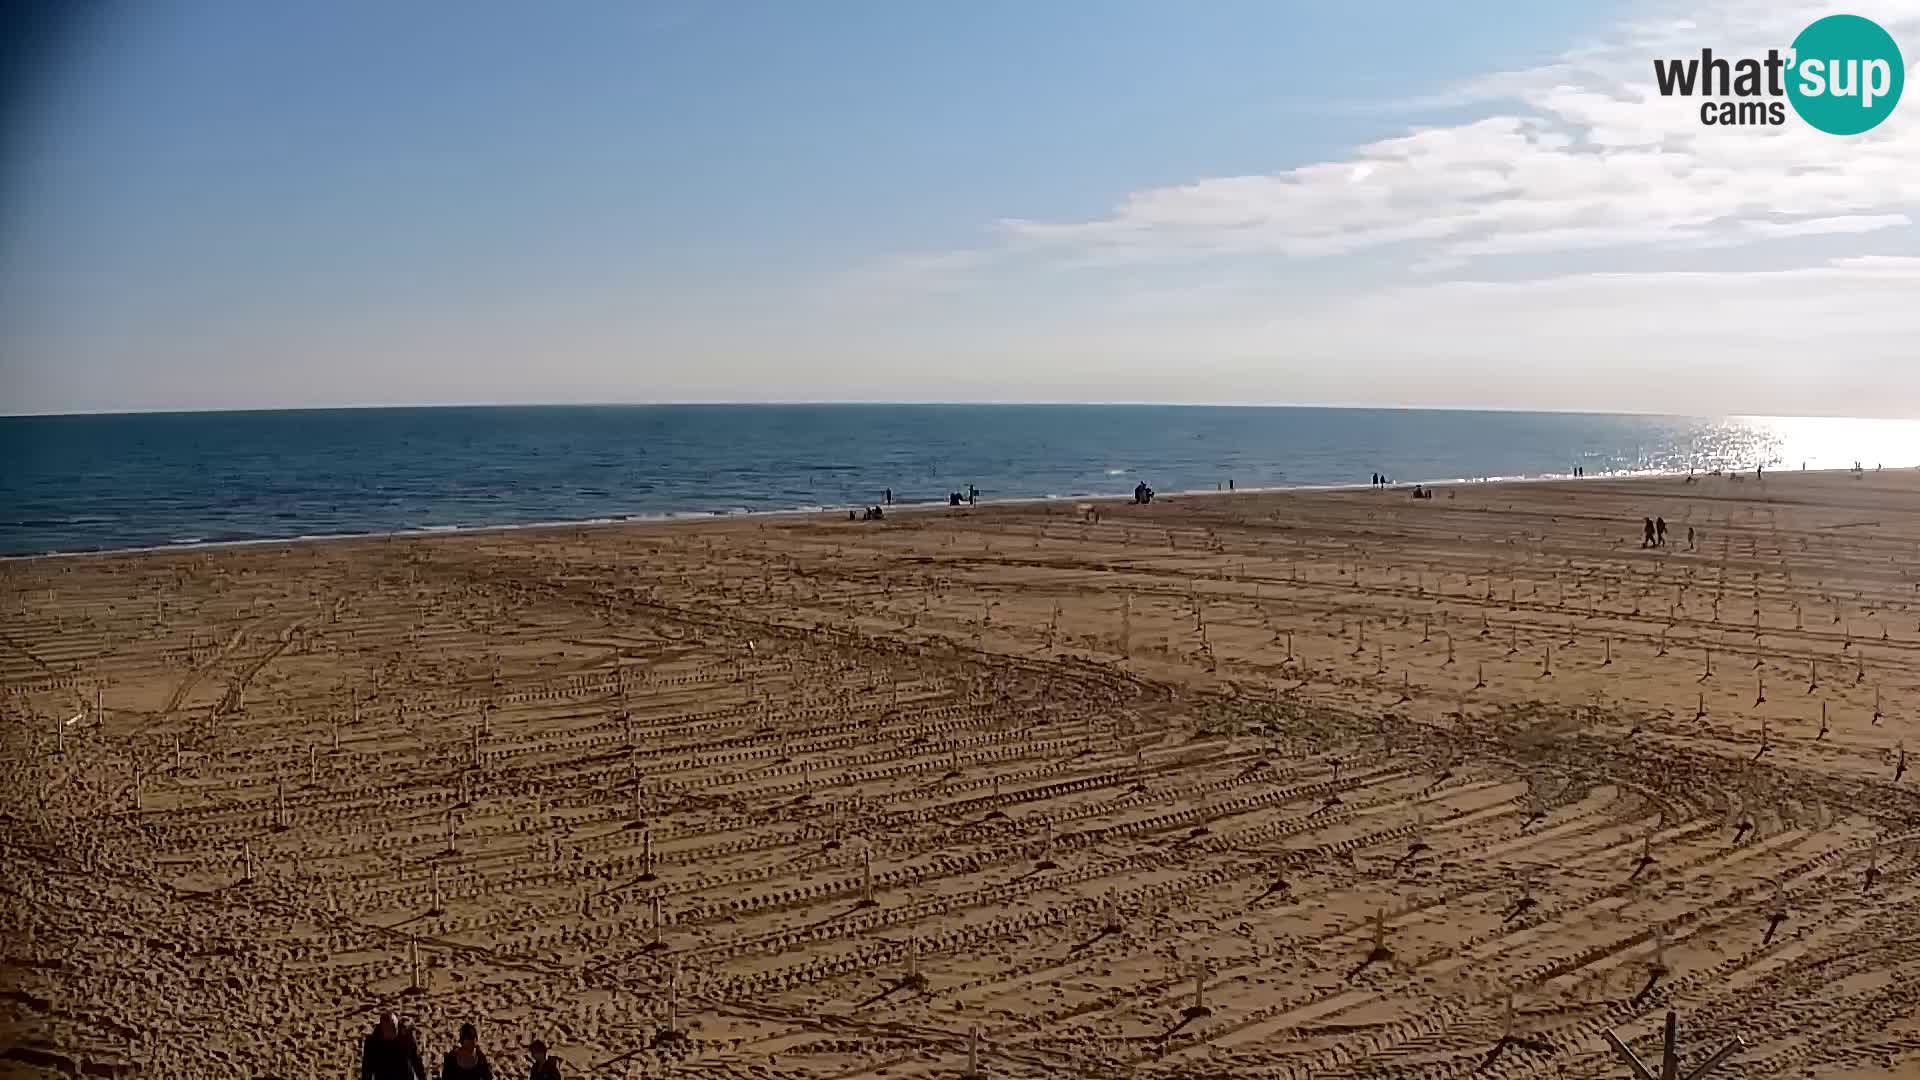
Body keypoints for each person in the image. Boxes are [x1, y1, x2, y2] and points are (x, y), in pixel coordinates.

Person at [361, 1011, 427, 1080]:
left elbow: (417, 1061)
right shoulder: (372, 1042)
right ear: (382, 1028)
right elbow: (367, 1069)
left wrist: (422, 1078)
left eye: (395, 1028)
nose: (394, 1032)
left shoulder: (406, 1038)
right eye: (390, 1030)